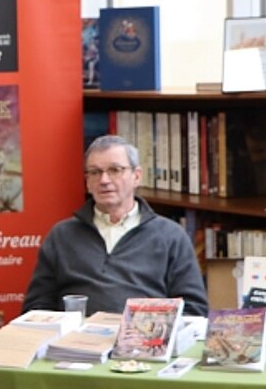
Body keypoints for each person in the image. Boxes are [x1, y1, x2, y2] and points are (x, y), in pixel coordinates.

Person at [22, 134, 208, 317]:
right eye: (95, 172)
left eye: (115, 170)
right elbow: (36, 307)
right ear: (87, 182)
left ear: (136, 176)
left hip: (144, 341)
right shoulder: (62, 236)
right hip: (77, 342)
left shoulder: (170, 236)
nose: (104, 180)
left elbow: (194, 310)